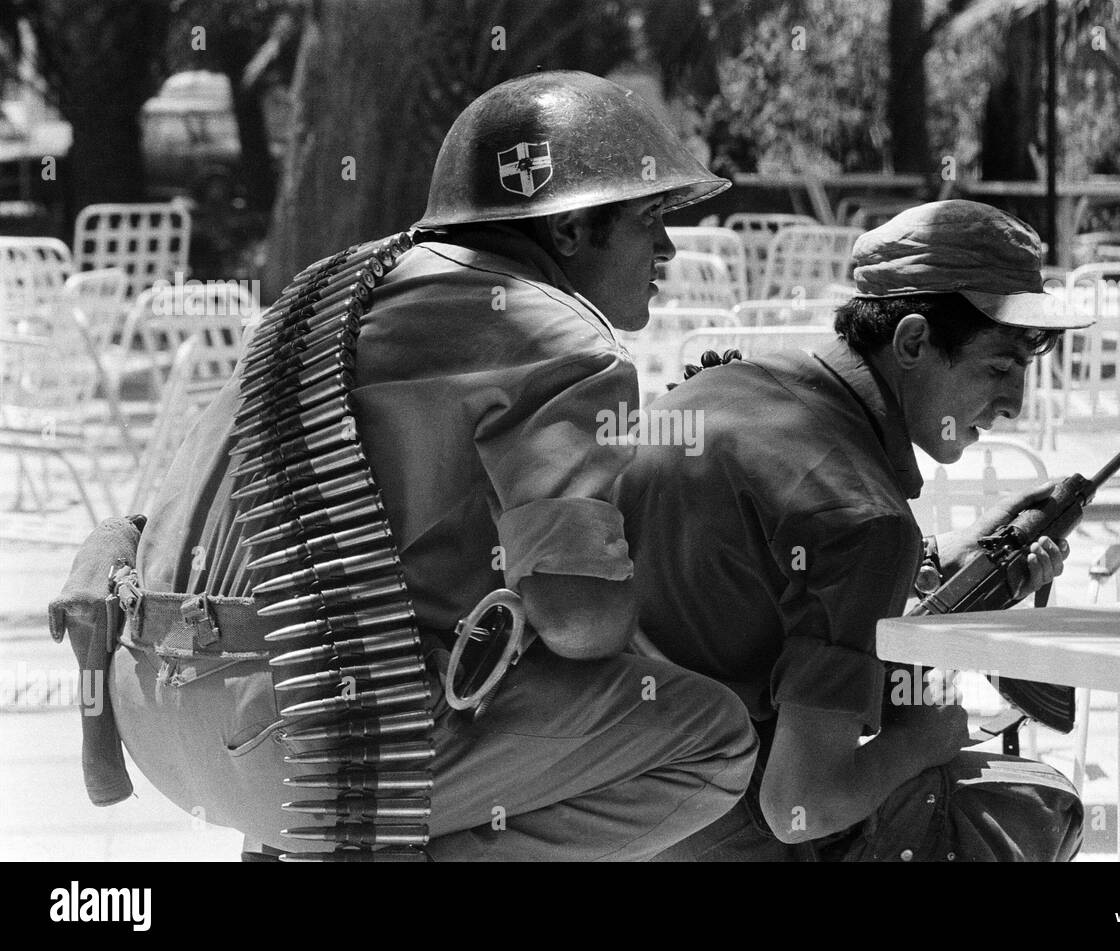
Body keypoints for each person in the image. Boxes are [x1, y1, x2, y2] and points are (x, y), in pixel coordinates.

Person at [82, 71, 757, 861]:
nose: (669, 247)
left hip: (156, 715)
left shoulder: (325, 290)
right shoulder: (563, 336)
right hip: (299, 732)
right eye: (651, 219)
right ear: (570, 231)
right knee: (712, 737)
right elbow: (579, 620)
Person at [616, 200, 1090, 861]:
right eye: (999, 368)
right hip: (725, 831)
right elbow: (800, 804)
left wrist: (950, 557)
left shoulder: (713, 393)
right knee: (1033, 804)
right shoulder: (865, 521)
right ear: (914, 342)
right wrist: (923, 738)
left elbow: (756, 585)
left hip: (608, 810)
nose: (1016, 404)